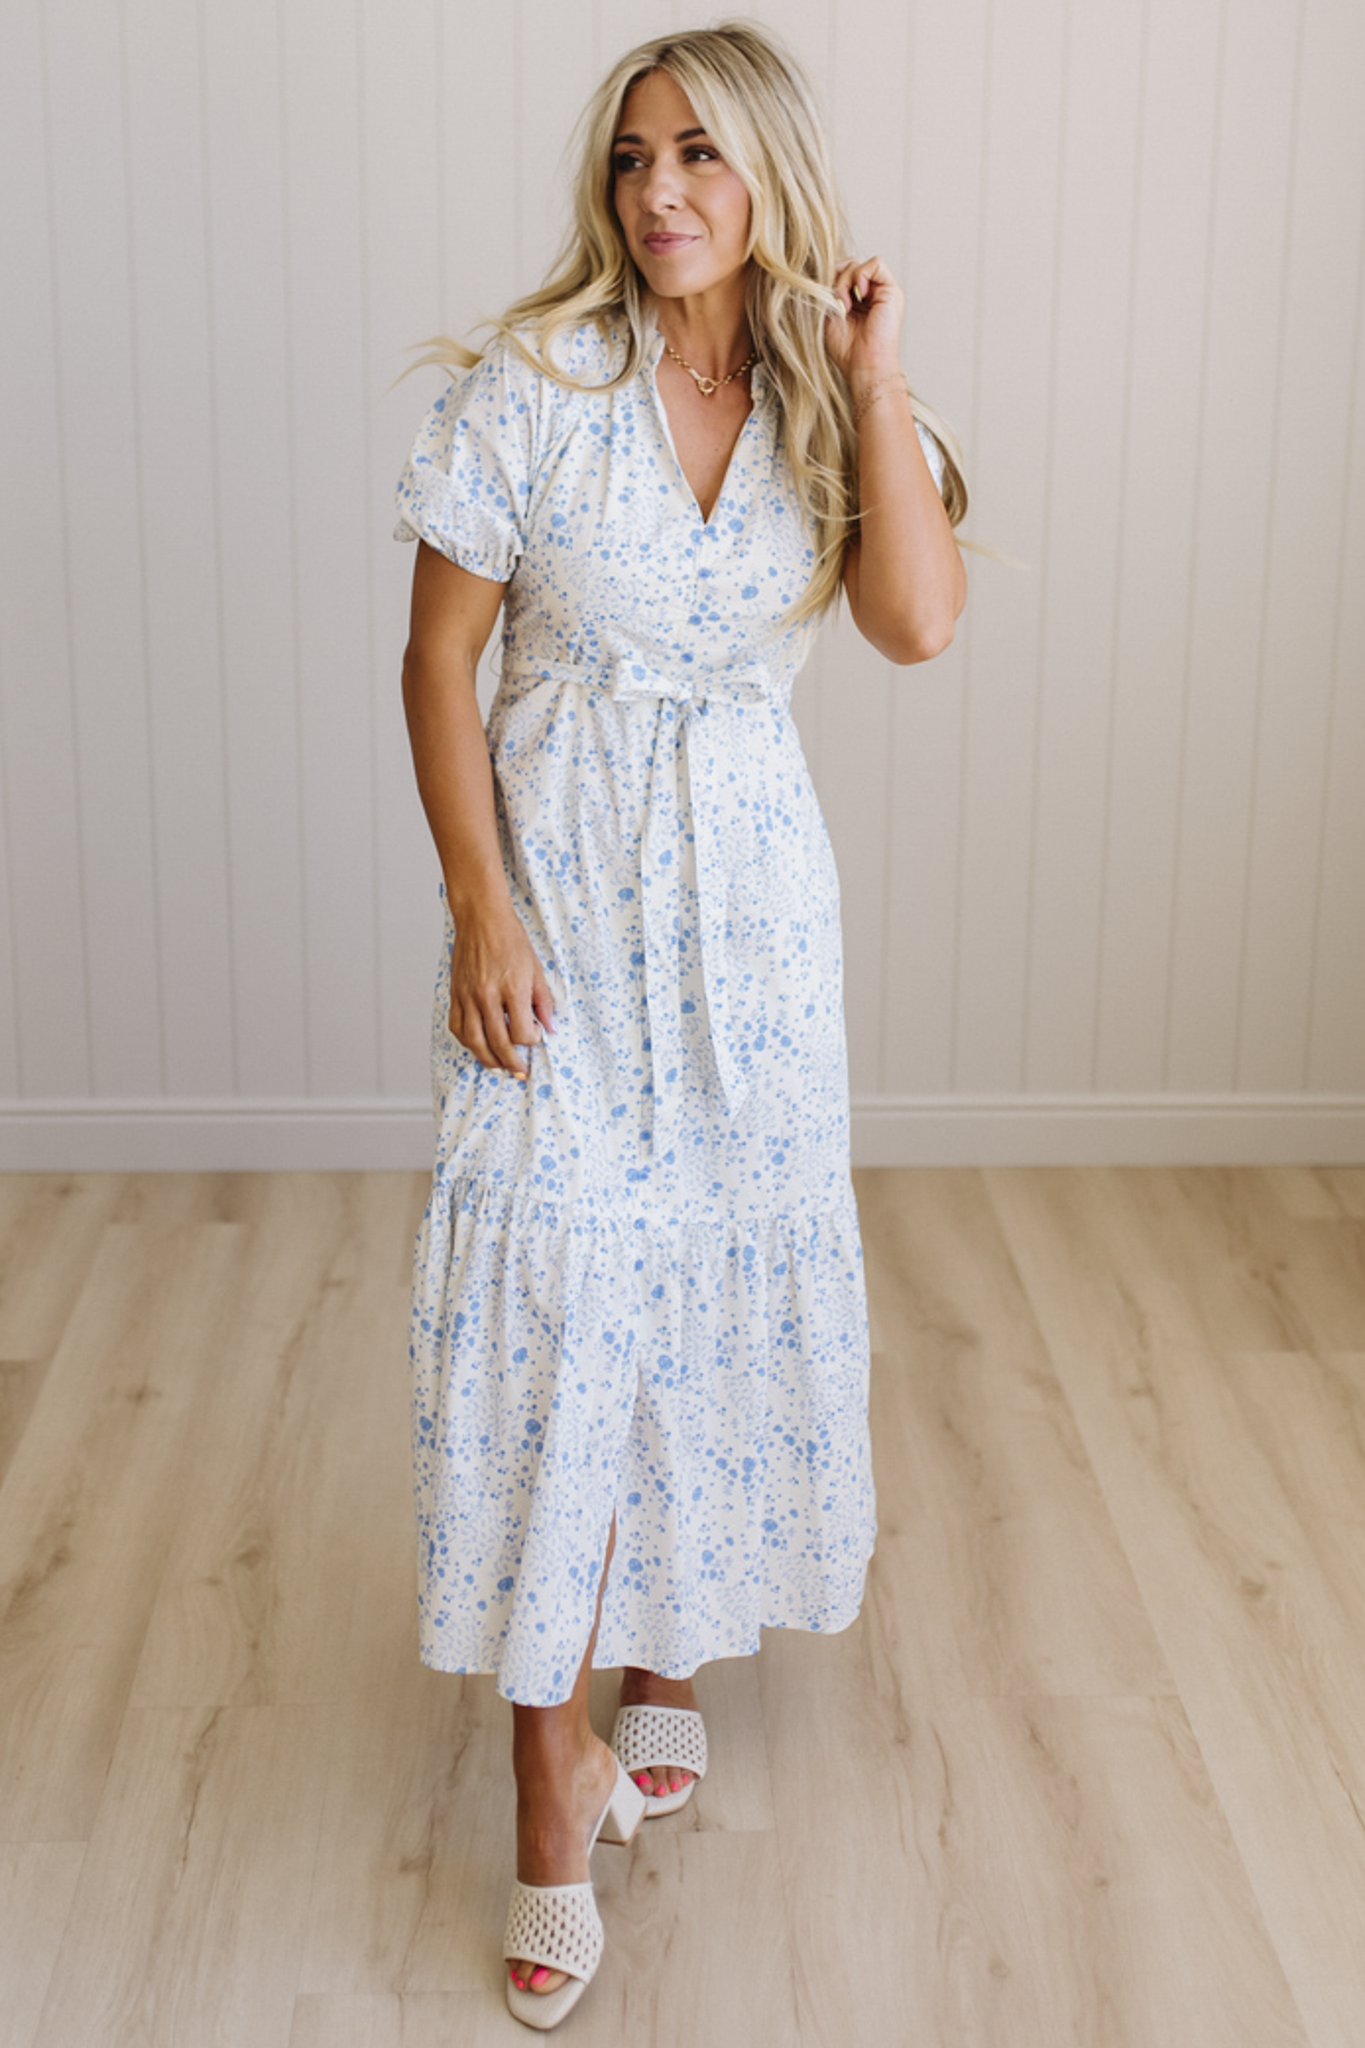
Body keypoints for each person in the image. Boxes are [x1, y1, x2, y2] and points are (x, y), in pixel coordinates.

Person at [395, 20, 966, 2029]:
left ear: (769, 176)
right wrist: (478, 906)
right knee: (557, 1305)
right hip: (557, 921)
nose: (658, 191)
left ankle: (664, 1657)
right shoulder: (534, 388)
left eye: (701, 155)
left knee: (712, 1285)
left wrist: (874, 377)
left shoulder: (823, 396)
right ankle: (546, 1784)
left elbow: (915, 623)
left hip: (752, 940)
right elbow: (437, 663)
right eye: (635, 155)